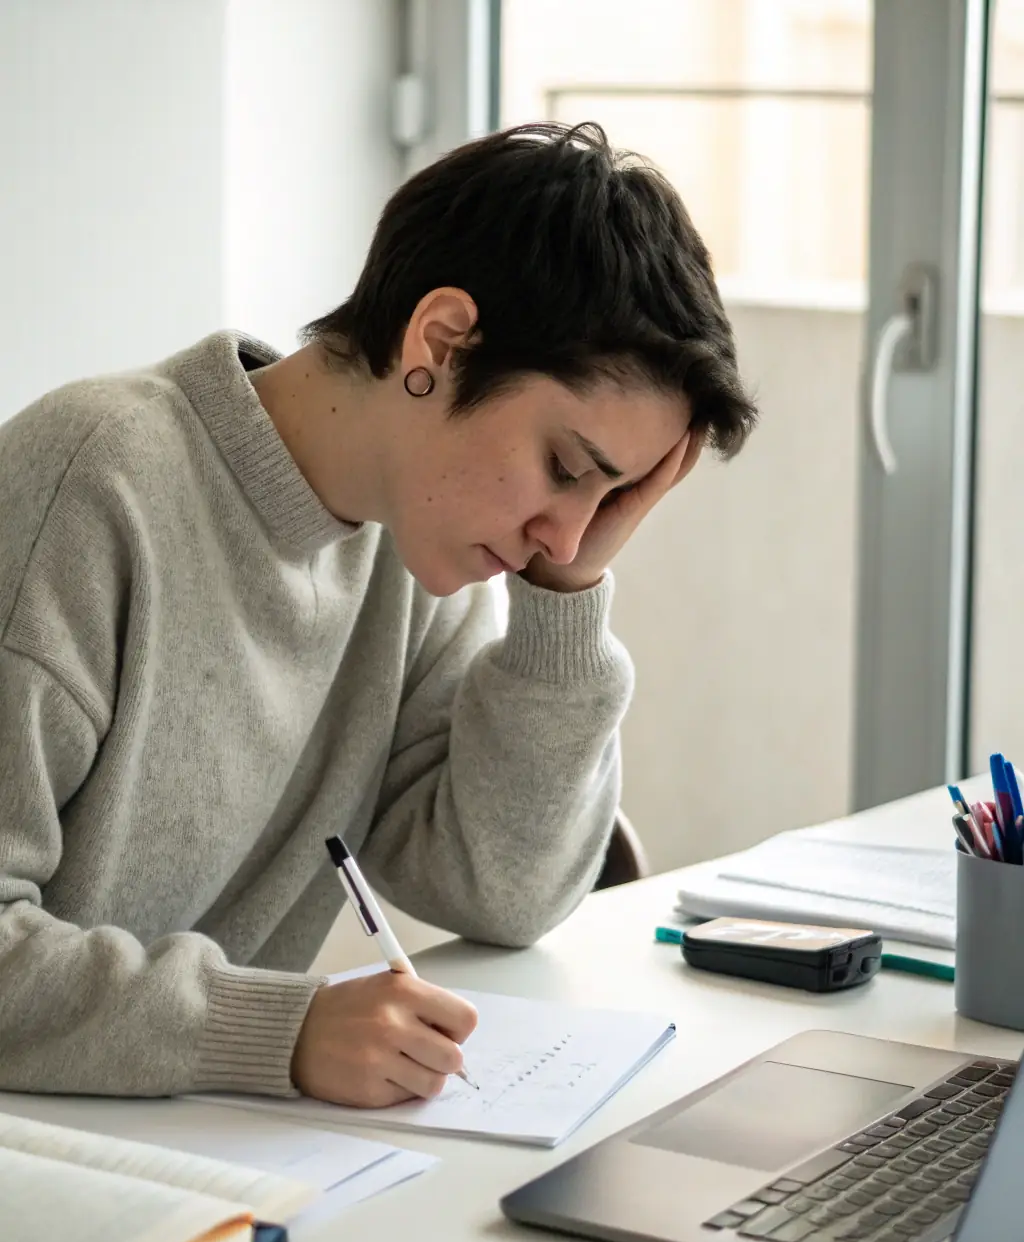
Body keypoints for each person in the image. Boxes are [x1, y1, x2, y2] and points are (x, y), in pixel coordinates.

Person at [0, 122, 756, 1110]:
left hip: (197, 1154)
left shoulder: (405, 549)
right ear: (437, 343)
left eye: (608, 500)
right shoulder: (93, 484)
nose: (566, 535)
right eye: (567, 470)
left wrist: (559, 603)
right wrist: (269, 1029)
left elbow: (499, 891)